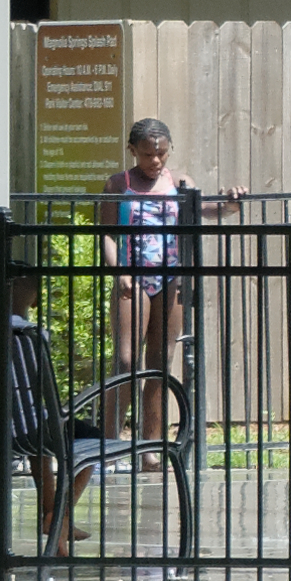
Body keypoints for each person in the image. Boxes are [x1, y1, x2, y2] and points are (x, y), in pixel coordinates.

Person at [99, 114, 199, 386]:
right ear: (132, 151)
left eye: (161, 153)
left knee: (160, 363)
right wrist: (119, 273)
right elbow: (106, 234)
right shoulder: (119, 184)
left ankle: (153, 430)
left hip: (169, 278)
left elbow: (205, 210)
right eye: (147, 154)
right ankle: (108, 430)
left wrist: (231, 203)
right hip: (133, 276)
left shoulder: (181, 183)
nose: (155, 161)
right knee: (126, 361)